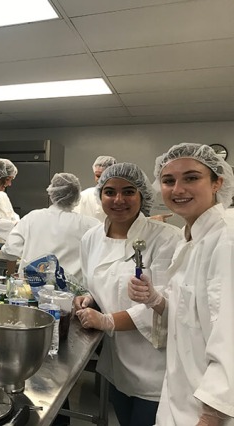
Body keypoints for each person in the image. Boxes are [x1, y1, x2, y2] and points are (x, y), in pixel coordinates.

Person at [129, 143, 234, 425]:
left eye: (191, 178)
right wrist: (156, 300)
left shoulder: (226, 240)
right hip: (181, 398)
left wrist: (211, 417)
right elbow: (192, 315)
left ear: (217, 183)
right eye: (168, 180)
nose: (178, 189)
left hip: (210, 413)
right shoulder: (190, 237)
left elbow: (230, 339)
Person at [75, 163, 182, 426]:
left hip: (156, 365)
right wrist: (90, 297)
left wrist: (107, 321)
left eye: (128, 191)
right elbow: (97, 282)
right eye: (109, 192)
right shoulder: (91, 238)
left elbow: (167, 302)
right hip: (118, 363)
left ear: (142, 195)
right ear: (100, 196)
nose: (118, 200)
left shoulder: (166, 238)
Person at [1, 173, 100, 283]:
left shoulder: (32, 218)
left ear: (52, 193)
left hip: (31, 291)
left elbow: (10, 250)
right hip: (71, 295)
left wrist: (10, 276)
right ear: (77, 196)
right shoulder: (90, 224)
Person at [74, 155, 117, 221]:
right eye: (98, 176)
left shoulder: (120, 197)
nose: (100, 180)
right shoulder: (85, 196)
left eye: (104, 176)